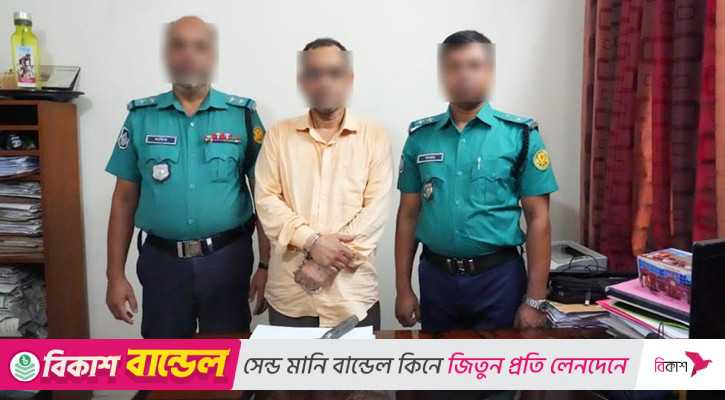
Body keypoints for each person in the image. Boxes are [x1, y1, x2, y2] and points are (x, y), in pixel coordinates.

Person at [104, 16, 270, 338]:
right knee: (164, 362)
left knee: (225, 359)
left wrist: (265, 266)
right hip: (162, 264)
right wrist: (115, 276)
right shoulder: (141, 117)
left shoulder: (242, 116)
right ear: (167, 55)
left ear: (212, 56)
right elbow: (123, 199)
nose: (189, 55)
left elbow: (264, 195)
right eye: (178, 46)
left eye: (199, 47)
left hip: (227, 261)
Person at [395, 30, 558, 333]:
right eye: (454, 66)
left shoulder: (520, 136)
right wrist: (403, 289)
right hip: (436, 279)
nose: (464, 74)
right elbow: (408, 216)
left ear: (489, 72)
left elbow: (539, 219)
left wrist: (535, 299)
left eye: (474, 65)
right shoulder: (420, 138)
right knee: (439, 362)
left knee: (499, 363)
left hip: (499, 280)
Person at [254, 38, 393, 330]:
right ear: (302, 81)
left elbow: (375, 213)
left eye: (334, 73)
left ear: (349, 79)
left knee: (359, 364)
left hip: (352, 298)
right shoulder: (278, 135)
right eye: (314, 74)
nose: (324, 82)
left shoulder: (374, 136)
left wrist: (324, 263)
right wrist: (312, 242)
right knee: (288, 363)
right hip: (291, 295)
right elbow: (266, 201)